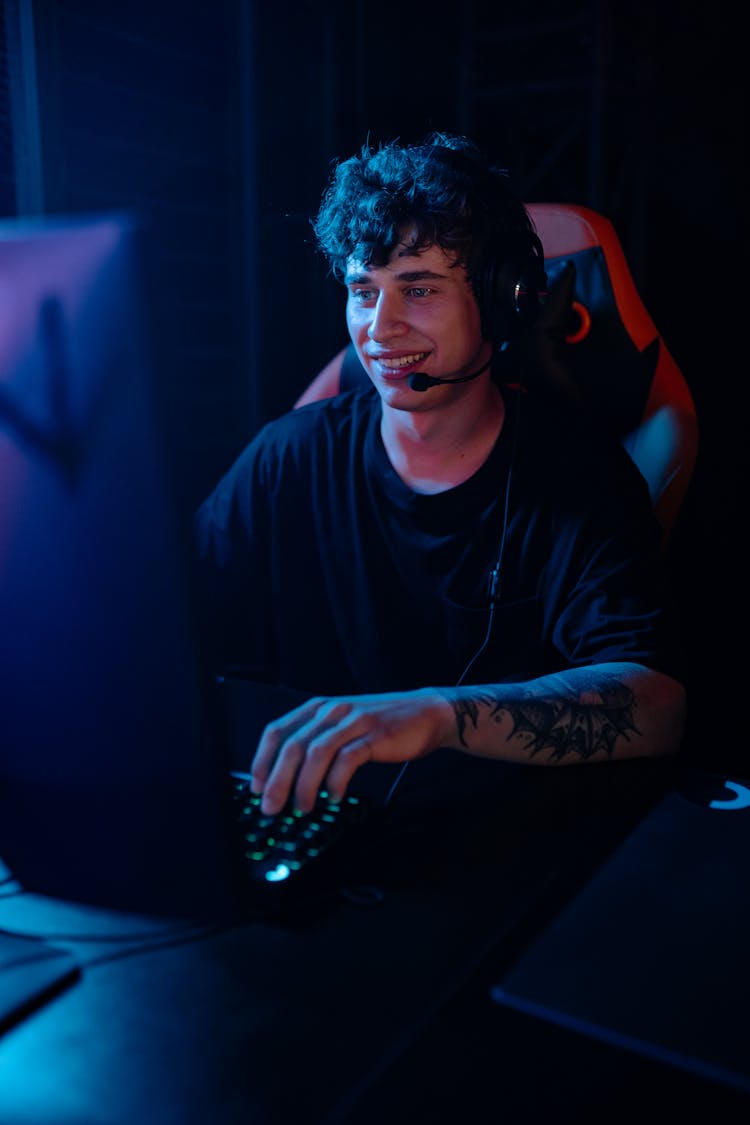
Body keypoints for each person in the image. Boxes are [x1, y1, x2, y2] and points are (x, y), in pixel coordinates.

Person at [194, 132, 686, 818]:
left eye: (417, 289)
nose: (378, 328)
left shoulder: (579, 474)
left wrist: (438, 716)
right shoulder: (288, 456)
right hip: (314, 818)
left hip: (499, 842)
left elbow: (656, 707)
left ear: (500, 301)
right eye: (364, 291)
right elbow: (178, 623)